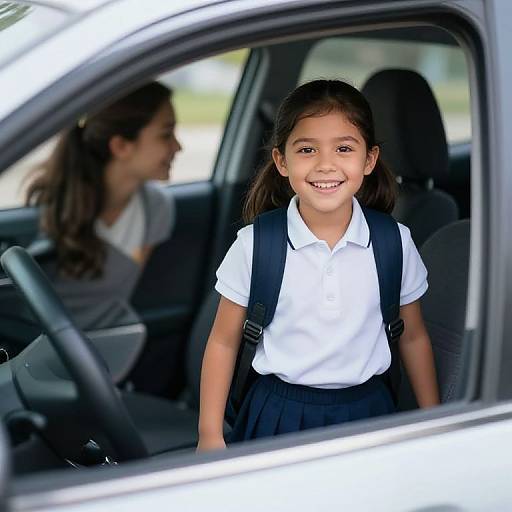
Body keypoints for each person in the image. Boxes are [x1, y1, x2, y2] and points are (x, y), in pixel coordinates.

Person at [197, 79, 439, 451]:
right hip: (277, 412)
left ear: (369, 160)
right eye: (307, 149)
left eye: (344, 148)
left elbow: (413, 335)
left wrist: (433, 420)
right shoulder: (255, 245)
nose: (326, 165)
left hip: (369, 410)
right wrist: (210, 434)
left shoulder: (394, 242)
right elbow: (224, 341)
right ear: (281, 161)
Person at [25, 81, 181, 331]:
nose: (178, 146)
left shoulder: (156, 209)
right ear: (120, 146)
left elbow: (115, 299)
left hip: (104, 346)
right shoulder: (52, 203)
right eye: (166, 134)